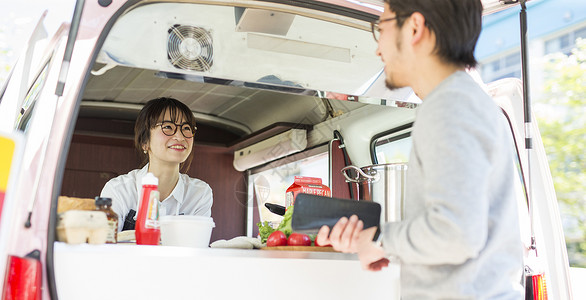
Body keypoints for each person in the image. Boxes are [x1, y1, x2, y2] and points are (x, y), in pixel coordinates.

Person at [316, 0, 524, 299]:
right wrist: (398, 250)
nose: (378, 49)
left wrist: (379, 238)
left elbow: (457, 234)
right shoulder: (466, 100)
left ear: (414, 27)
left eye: (381, 29)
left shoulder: (449, 105)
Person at [101, 97, 213, 232]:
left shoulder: (199, 193)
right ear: (145, 142)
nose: (180, 136)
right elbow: (105, 246)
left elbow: (196, 247)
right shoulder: (119, 190)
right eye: (167, 127)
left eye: (186, 128)